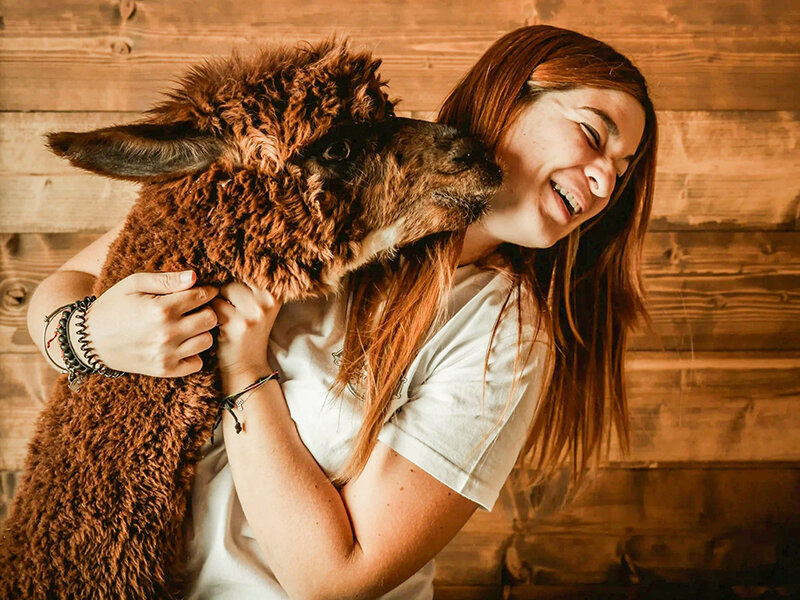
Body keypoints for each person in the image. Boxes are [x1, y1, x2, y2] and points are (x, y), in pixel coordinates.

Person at [27, 24, 657, 600]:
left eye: (621, 172)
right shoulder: (318, 178)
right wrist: (88, 334)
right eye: (593, 134)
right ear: (508, 93)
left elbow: (335, 578)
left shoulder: (501, 332)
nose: (604, 181)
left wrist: (245, 370)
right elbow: (72, 283)